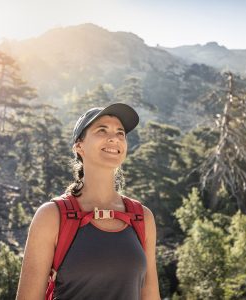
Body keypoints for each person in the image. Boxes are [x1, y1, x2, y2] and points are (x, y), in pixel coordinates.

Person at [16, 103, 160, 299]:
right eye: (102, 130)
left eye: (120, 133)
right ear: (79, 145)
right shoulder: (51, 216)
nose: (114, 138)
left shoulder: (142, 218)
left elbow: (150, 296)